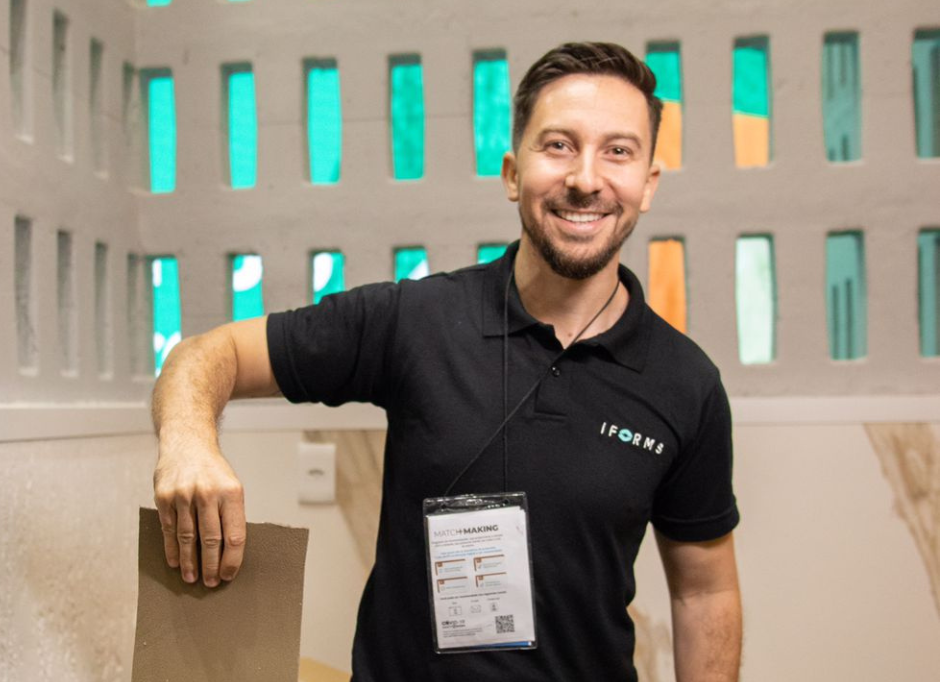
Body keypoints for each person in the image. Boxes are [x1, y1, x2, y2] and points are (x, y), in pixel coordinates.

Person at [152, 42, 742, 681]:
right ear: (512, 173)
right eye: (559, 145)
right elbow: (206, 354)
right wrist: (188, 444)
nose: (585, 178)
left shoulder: (686, 383)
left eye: (618, 151)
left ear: (648, 183)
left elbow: (704, 592)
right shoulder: (415, 319)